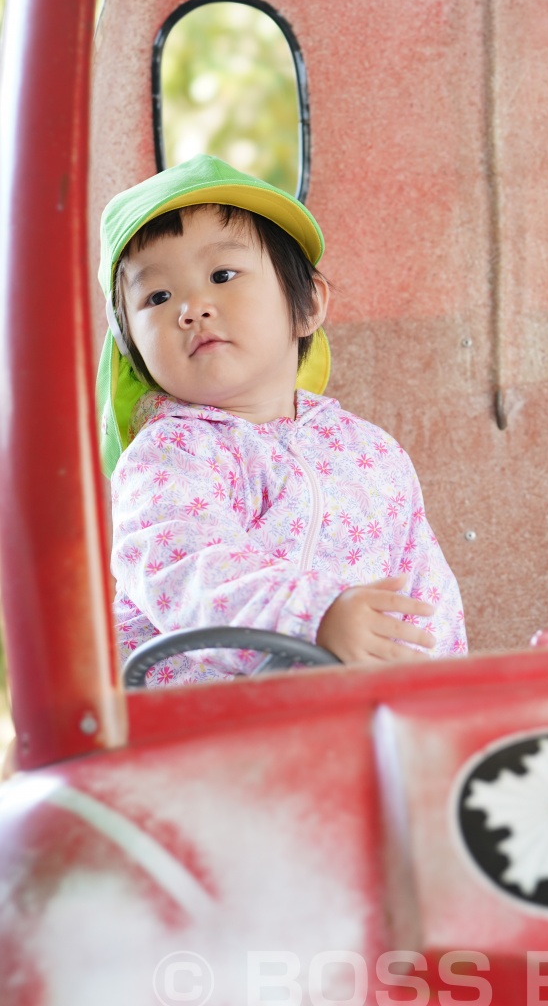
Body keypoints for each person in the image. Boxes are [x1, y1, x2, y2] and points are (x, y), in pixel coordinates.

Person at [96, 155, 467, 687]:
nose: (192, 308)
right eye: (158, 296)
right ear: (133, 350)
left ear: (307, 305)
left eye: (222, 275)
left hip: (344, 725)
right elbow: (184, 565)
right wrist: (311, 617)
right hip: (194, 736)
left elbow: (422, 601)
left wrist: (443, 696)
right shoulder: (169, 457)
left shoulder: (371, 454)